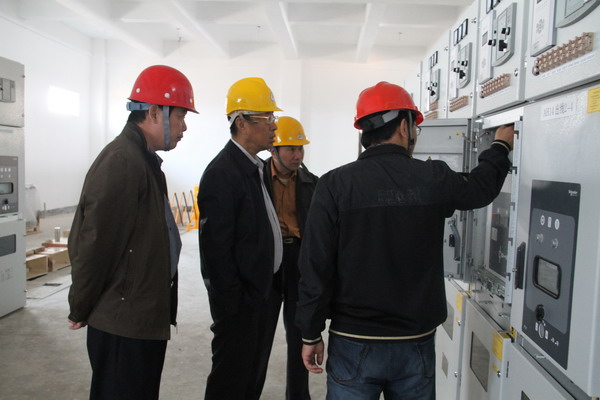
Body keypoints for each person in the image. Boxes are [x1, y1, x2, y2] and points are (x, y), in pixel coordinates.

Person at [296, 81, 516, 399]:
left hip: (353, 338)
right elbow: (480, 189)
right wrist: (500, 146)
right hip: (415, 340)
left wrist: (310, 333)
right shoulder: (432, 177)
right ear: (404, 126)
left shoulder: (333, 184)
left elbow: (315, 263)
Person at [67, 65, 198, 400]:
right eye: (180, 116)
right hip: (122, 323)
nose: (184, 127)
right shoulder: (123, 161)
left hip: (139, 317)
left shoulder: (143, 160)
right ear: (154, 113)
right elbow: (94, 243)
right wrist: (79, 305)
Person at [197, 77, 284, 400]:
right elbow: (216, 254)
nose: (274, 125)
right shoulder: (222, 173)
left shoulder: (255, 167)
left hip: (260, 295)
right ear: (242, 122)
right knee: (230, 382)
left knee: (250, 380)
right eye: (267, 117)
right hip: (240, 306)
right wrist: (235, 306)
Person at [264, 116, 319, 400]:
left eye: (300, 149)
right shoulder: (256, 179)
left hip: (298, 260)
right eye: (291, 149)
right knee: (260, 335)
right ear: (273, 150)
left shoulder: (312, 184)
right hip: (268, 262)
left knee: (300, 334)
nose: (298, 155)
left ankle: (298, 396)